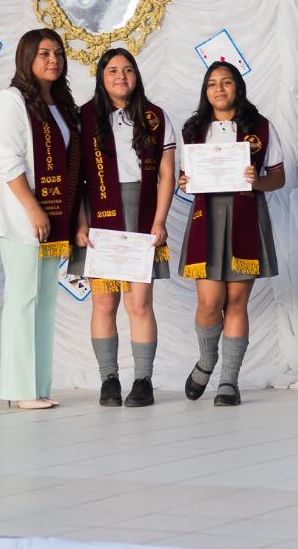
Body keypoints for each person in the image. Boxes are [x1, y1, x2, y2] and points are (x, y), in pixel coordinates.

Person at [71, 48, 177, 408]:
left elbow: (166, 174)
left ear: (137, 76)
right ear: (101, 76)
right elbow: (77, 177)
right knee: (103, 301)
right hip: (100, 213)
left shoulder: (155, 117)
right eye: (113, 70)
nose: (121, 76)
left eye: (128, 70)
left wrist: (159, 220)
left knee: (140, 301)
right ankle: (109, 380)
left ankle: (143, 380)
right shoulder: (84, 116)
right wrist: (81, 222)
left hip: (142, 214)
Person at [178, 61, 283, 408]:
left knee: (237, 302)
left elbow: (278, 177)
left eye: (226, 82)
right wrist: (184, 181)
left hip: (245, 216)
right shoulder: (193, 128)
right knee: (209, 303)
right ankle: (207, 361)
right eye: (212, 84)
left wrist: (258, 180)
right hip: (206, 217)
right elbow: (187, 175)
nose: (219, 89)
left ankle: (229, 381)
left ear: (237, 87)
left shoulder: (261, 127)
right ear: (205, 92)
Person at [0, 28, 81, 411]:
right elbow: (8, 160)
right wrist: (33, 208)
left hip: (54, 218)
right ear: (26, 57)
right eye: (43, 53)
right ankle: (19, 387)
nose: (52, 59)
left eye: (57, 53)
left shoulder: (60, 106)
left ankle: (38, 386)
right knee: (23, 299)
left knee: (44, 302)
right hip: (21, 215)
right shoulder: (10, 101)